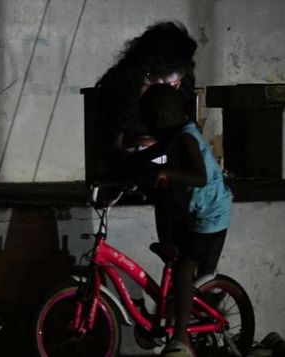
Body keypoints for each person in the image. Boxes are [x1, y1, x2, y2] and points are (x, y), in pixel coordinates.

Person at [138, 84, 233, 357]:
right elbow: (154, 154)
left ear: (159, 119)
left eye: (150, 124)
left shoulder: (185, 138)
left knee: (183, 271)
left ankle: (179, 342)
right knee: (184, 269)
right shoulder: (176, 135)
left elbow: (199, 177)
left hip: (210, 216)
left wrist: (167, 172)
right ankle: (178, 321)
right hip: (201, 212)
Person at [95, 21, 198, 179]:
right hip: (133, 159)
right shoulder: (123, 89)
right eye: (166, 84)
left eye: (175, 84)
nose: (171, 90)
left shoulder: (180, 87)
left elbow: (188, 133)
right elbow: (111, 148)